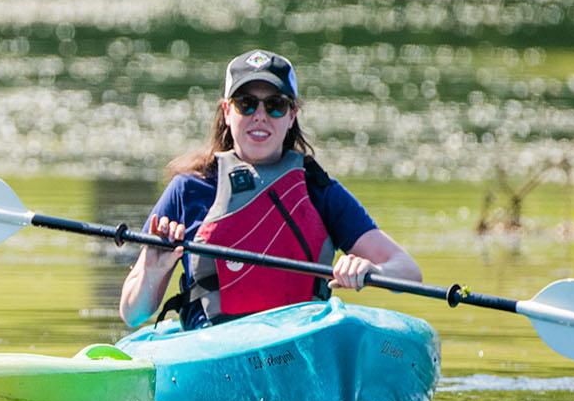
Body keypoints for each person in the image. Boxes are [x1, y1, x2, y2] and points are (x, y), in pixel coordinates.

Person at [119, 50, 422, 330]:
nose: (259, 115)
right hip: (212, 346)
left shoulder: (318, 191)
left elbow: (408, 271)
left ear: (292, 115)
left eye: (275, 105)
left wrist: (370, 270)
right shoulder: (188, 190)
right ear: (227, 111)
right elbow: (133, 313)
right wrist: (153, 269)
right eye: (246, 104)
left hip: (299, 341)